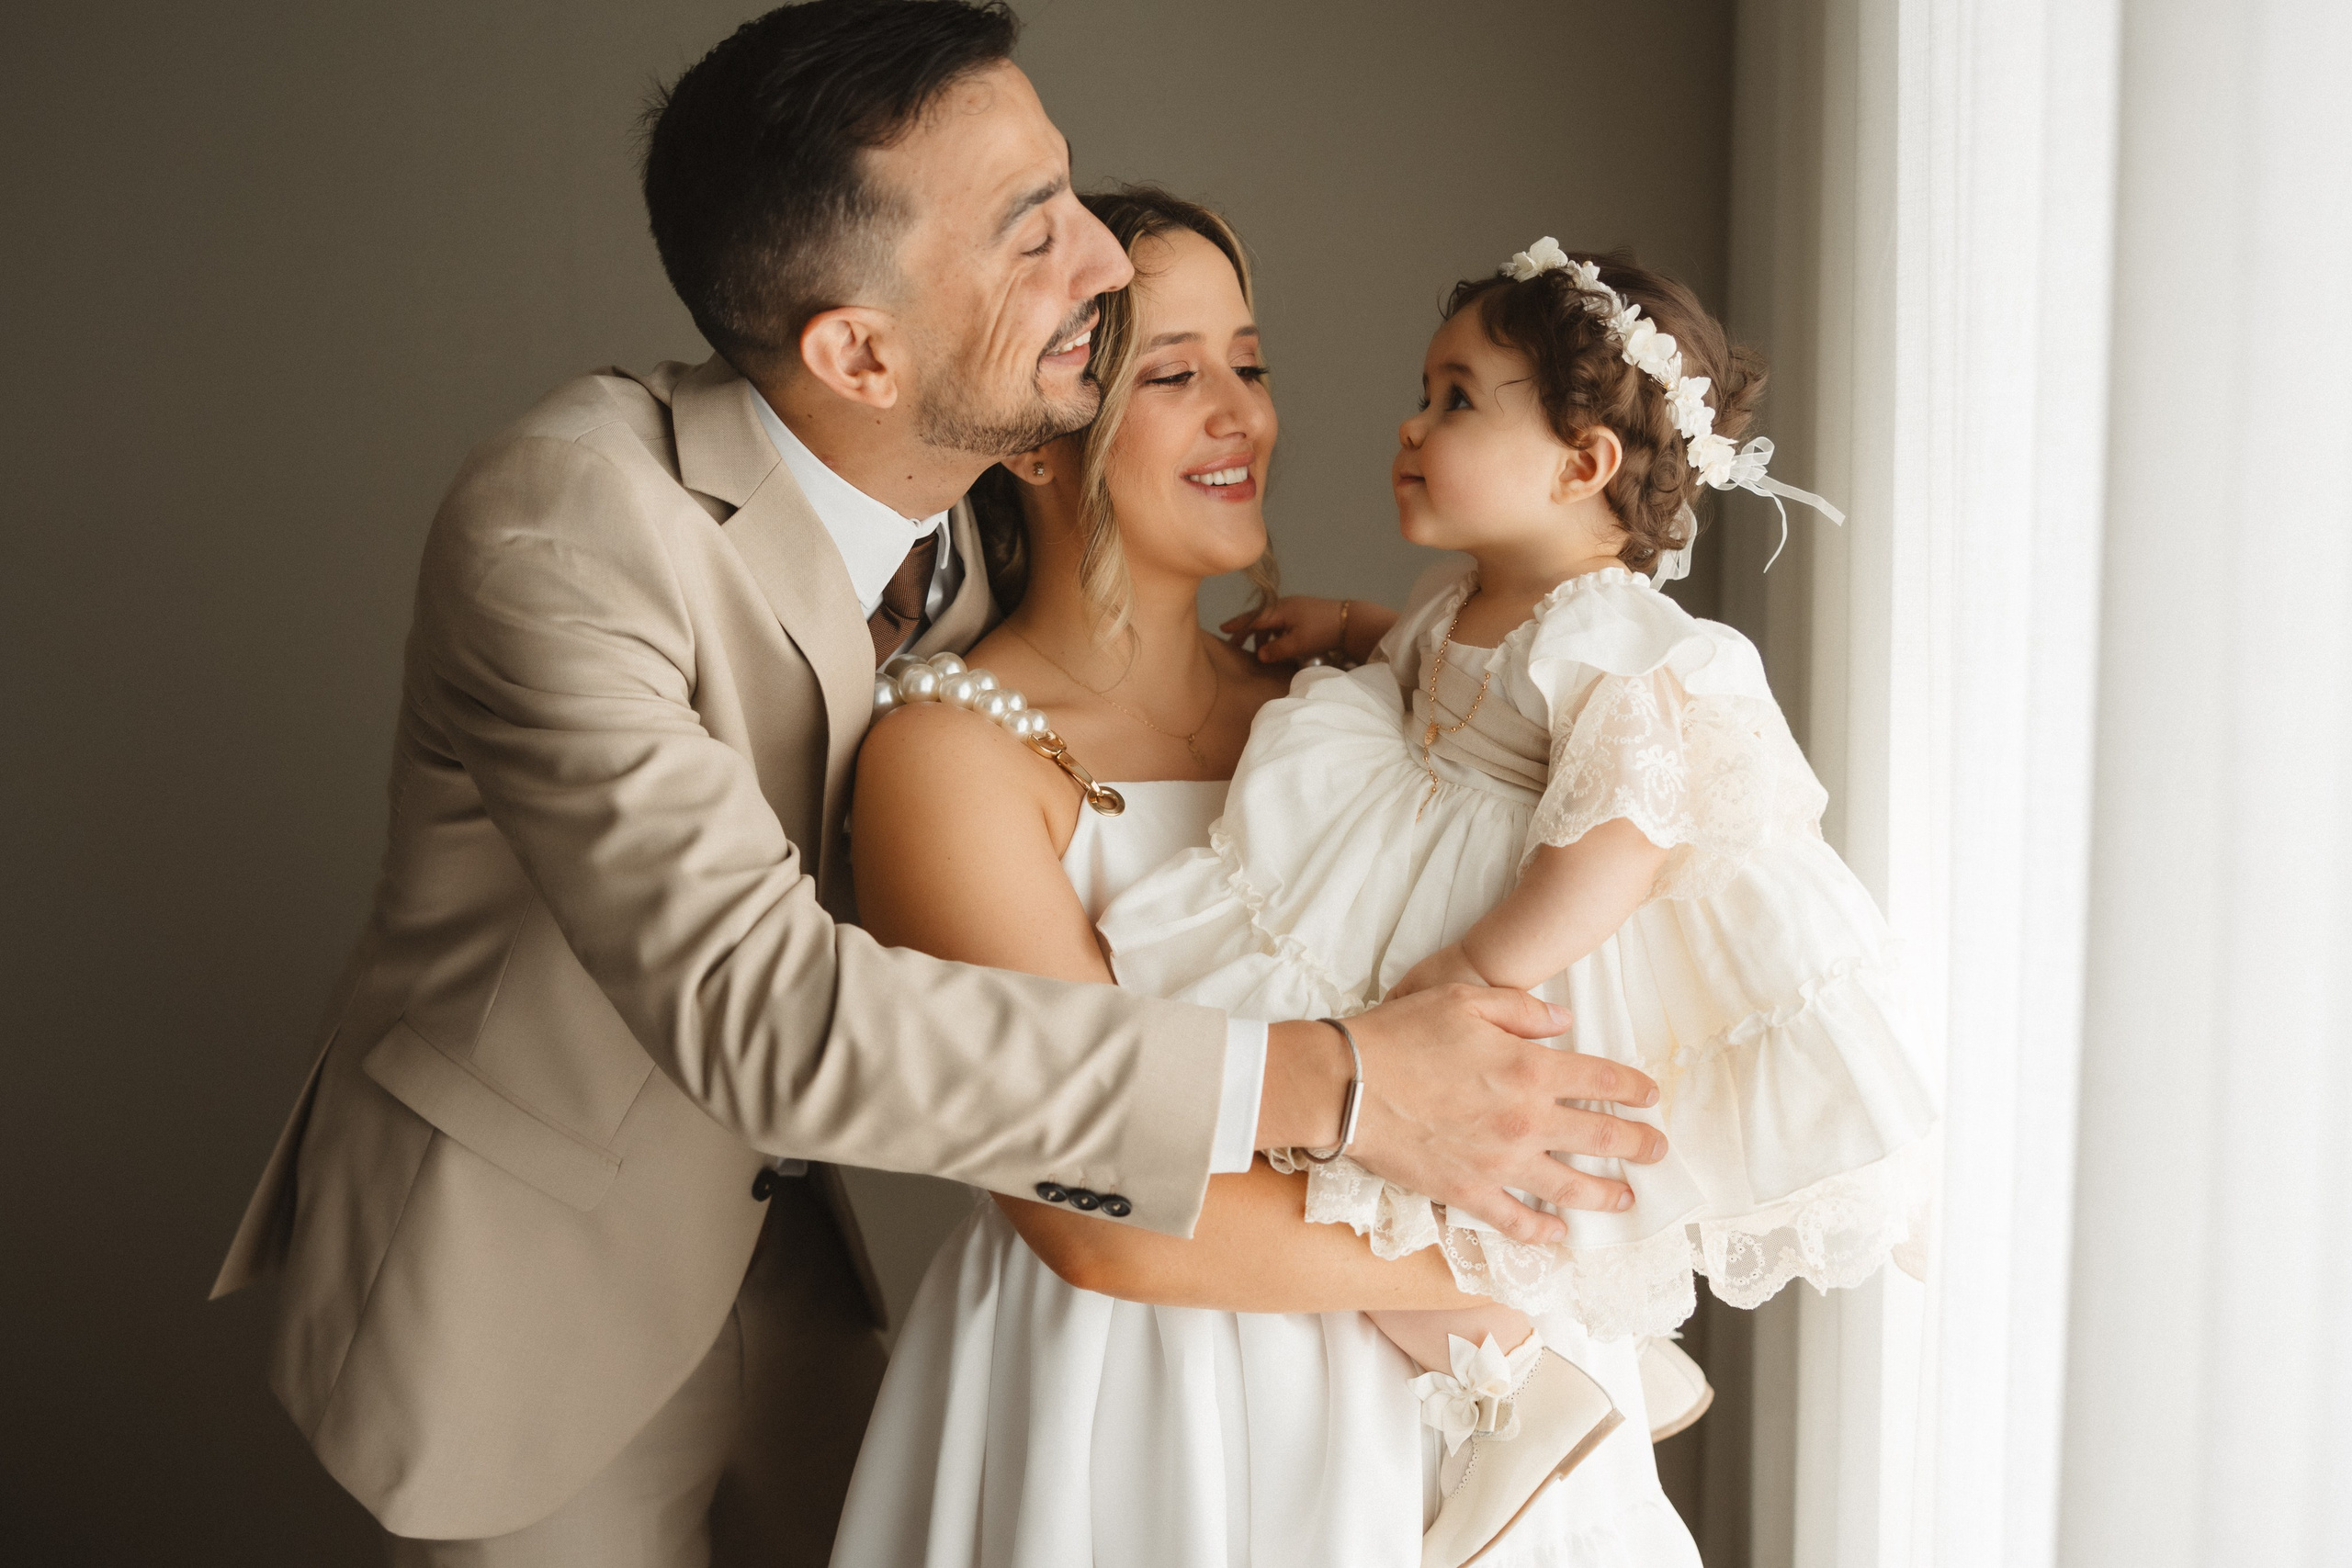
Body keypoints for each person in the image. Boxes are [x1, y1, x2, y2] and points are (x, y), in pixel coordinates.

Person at [205, 7, 1664, 1564]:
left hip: (794, 1261)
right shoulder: (568, 533)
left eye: (1073, 194)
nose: (1099, 261)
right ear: (859, 350)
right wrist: (1346, 1084)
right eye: (1031, 232)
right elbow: (766, 1010)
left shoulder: (974, 531)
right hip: (533, 1272)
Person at [832, 192, 1702, 1568]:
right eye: (1173, 376)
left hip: (1423, 1397)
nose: (1240, 414)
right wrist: (1527, 1280)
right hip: (1132, 1399)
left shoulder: (1356, 711)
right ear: (1041, 434)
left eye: (1252, 363)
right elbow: (1093, 1220)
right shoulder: (949, 759)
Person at [1103, 240, 1940, 1563]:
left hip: (1519, 942)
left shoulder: (1612, 630)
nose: (1411, 422)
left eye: (1457, 399)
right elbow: (1442, 663)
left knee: (1406, 1185)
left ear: (1583, 463)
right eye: (1426, 393)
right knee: (1354, 1165)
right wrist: (1351, 626)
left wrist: (1476, 972)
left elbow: (1622, 830)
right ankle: (1555, 1356)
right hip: (1411, 879)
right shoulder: (1476, 602)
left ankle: (1532, 1387)